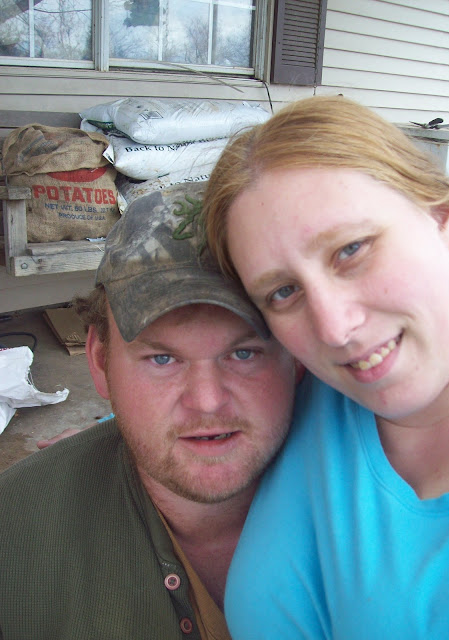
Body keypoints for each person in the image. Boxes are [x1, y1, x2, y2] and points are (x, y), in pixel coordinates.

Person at [202, 95, 449, 638]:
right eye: (283, 292)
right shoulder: (317, 392)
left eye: (351, 250)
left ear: (443, 217)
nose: (333, 329)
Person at [0, 184, 301, 640]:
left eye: (244, 353)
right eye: (162, 359)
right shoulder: (15, 538)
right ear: (100, 361)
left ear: (299, 357)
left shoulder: (385, 501)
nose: (207, 401)